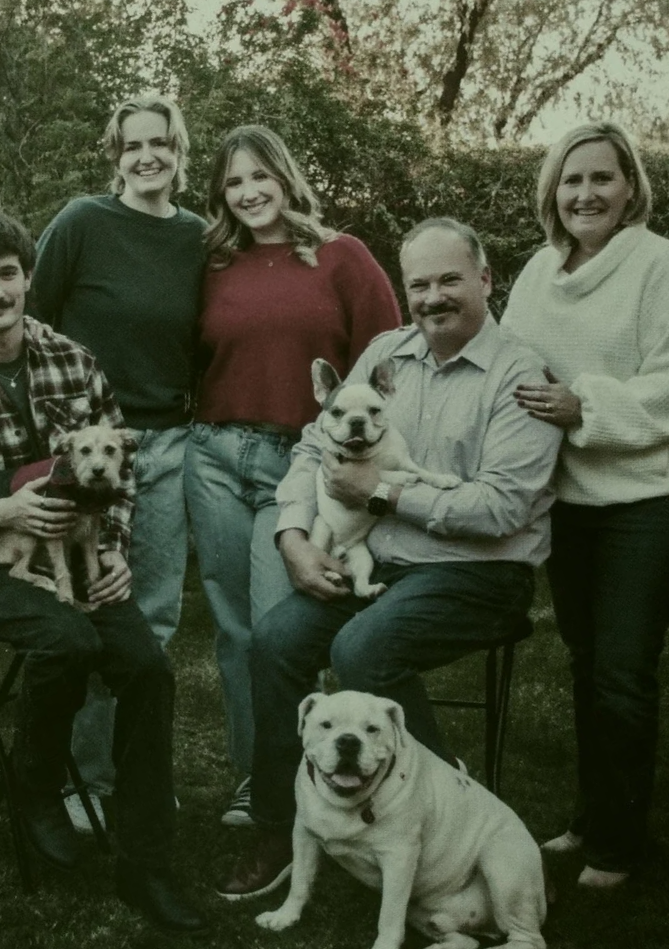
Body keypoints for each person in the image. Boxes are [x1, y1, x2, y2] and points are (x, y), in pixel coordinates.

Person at [215, 217, 563, 900]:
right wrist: (293, 538)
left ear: (486, 280)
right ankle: (285, 827)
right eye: (420, 284)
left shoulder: (519, 373)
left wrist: (382, 493)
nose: (433, 297)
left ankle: (442, 823)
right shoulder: (386, 354)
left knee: (363, 649)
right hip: (381, 565)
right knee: (276, 640)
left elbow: (503, 509)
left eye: (450, 280)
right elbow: (315, 448)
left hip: (480, 573)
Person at [0, 212, 206, 934]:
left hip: (84, 552)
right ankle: (35, 786)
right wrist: (1, 513)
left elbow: (120, 472)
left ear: (29, 279)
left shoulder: (75, 360)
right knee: (67, 641)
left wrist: (118, 546)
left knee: (150, 670)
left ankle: (146, 861)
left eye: (8, 273)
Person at [501, 122, 669, 890]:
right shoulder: (537, 272)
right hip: (572, 500)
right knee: (587, 662)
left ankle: (618, 849)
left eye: (602, 178)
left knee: (625, 669)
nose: (586, 194)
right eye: (572, 181)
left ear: (630, 186)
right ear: (552, 193)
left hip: (656, 494)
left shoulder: (666, 267)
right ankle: (591, 816)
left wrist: (582, 408)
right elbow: (510, 367)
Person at [184, 125, 402, 826]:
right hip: (214, 456)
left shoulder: (344, 257)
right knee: (235, 632)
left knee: (280, 627)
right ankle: (260, 779)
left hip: (300, 462)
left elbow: (389, 371)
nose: (248, 193)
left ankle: (308, 777)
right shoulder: (213, 263)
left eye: (259, 177)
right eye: (233, 183)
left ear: (285, 176)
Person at [30, 95, 206, 820]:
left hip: (162, 449)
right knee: (85, 611)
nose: (146, 157)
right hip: (80, 449)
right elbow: (31, 325)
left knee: (150, 617)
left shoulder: (199, 237)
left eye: (159, 144)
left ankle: (132, 778)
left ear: (178, 152)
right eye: (132, 145)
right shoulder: (81, 223)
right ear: (115, 154)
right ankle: (83, 780)